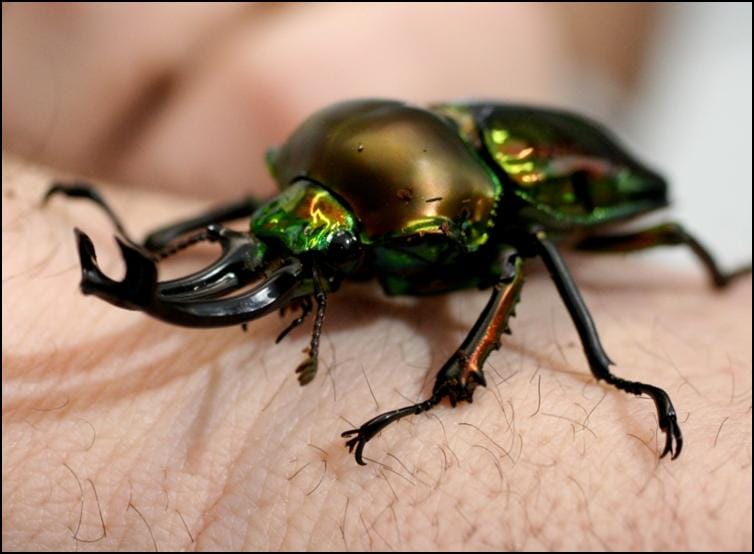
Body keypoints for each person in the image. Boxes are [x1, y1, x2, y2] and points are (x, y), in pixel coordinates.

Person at [3, 4, 751, 550]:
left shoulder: (468, 218)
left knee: (529, 254)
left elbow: (523, 259)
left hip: (574, 178)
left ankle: (475, 377)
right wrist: (152, 247)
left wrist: (610, 375)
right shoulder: (387, 171)